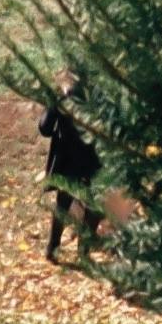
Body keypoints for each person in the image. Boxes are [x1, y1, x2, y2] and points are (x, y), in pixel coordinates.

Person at [40, 67, 105, 261]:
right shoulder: (100, 98)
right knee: (93, 207)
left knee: (63, 203)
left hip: (67, 160)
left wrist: (53, 104)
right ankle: (83, 252)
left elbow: (45, 128)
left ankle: (53, 247)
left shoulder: (62, 99)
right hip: (93, 159)